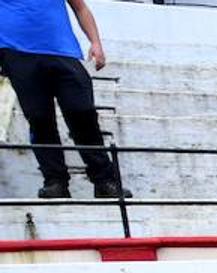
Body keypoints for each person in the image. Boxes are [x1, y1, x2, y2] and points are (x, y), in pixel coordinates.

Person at [0, 0, 130, 199]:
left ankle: (105, 181)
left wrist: (96, 43)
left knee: (83, 112)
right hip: (16, 53)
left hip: (63, 51)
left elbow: (81, 8)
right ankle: (55, 181)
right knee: (39, 117)